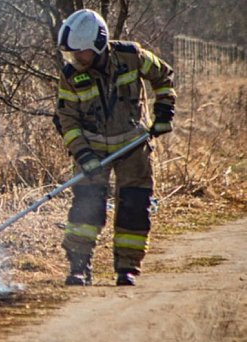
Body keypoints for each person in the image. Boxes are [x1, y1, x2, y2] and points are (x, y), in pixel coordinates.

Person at [53, 9, 176, 286]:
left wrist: (164, 114)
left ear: (97, 44)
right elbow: (67, 119)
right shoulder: (71, 74)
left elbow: (164, 76)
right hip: (92, 150)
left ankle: (127, 268)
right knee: (86, 207)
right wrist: (83, 155)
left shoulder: (132, 57)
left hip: (133, 146)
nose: (76, 60)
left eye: (80, 53)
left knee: (134, 205)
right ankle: (79, 267)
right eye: (71, 54)